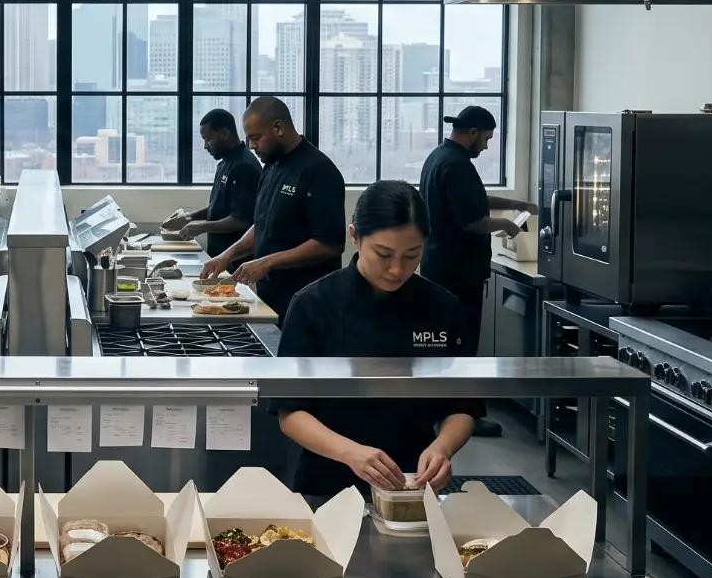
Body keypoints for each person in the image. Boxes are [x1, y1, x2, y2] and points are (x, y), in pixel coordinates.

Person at [269, 180, 483, 498]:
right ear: (354, 236)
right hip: (328, 480)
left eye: (412, 255)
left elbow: (463, 404)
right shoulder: (313, 304)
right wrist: (351, 453)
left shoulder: (442, 307)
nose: (397, 270)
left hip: (413, 481)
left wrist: (442, 447)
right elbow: (289, 412)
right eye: (383, 254)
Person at [198, 96, 346, 317]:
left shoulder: (318, 171)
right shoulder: (271, 166)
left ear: (278, 128)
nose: (251, 146)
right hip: (272, 295)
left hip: (307, 301)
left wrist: (267, 262)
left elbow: (329, 244)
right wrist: (228, 255)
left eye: (256, 138)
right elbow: (263, 224)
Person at [417, 105, 536, 358]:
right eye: (486, 139)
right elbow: (471, 221)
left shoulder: (438, 157)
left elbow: (473, 199)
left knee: (440, 342)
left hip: (437, 265)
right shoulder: (457, 165)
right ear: (473, 133)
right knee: (460, 343)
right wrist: (507, 225)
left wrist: (516, 205)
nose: (486, 147)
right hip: (458, 274)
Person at [160, 108, 263, 261]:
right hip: (218, 255)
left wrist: (201, 227)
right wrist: (190, 217)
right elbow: (221, 206)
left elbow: (241, 220)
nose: (205, 146)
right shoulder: (224, 163)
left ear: (224, 134)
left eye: (207, 139)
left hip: (236, 259)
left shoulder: (244, 167)